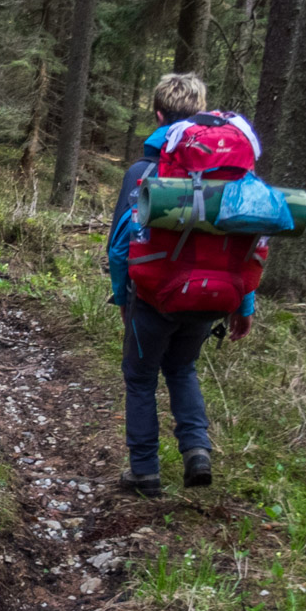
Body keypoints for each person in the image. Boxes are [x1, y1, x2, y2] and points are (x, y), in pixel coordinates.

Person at [106, 72, 254, 498]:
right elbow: (246, 245)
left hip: (154, 296)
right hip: (212, 297)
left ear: (158, 114)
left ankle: (145, 472)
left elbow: (120, 246)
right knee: (183, 368)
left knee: (140, 377)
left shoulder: (142, 171)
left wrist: (123, 298)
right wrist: (244, 305)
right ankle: (196, 451)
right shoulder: (232, 177)